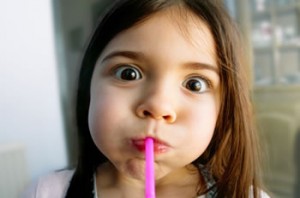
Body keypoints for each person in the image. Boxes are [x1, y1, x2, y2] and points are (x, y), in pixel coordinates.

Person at [23, 0, 270, 197]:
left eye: (195, 84)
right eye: (128, 74)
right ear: (89, 88)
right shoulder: (47, 192)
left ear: (224, 109)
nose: (158, 106)